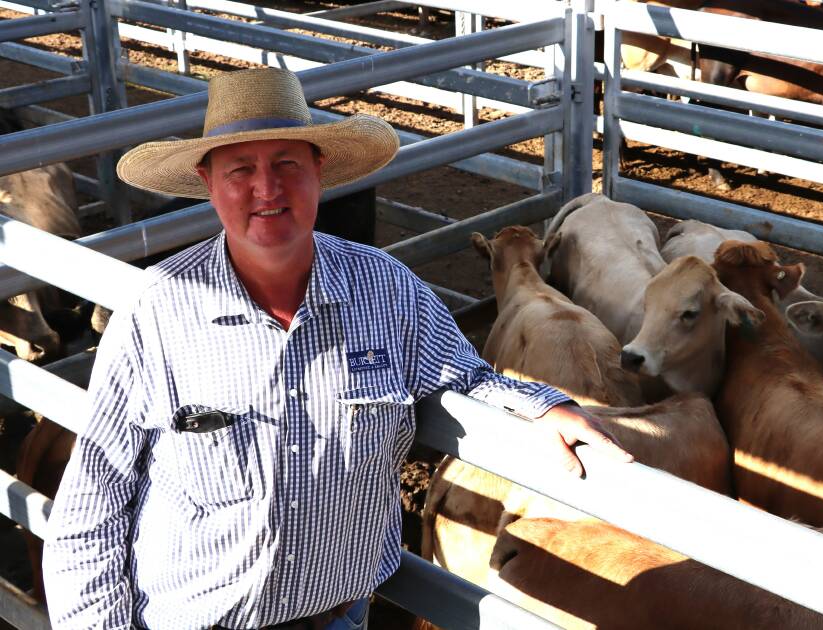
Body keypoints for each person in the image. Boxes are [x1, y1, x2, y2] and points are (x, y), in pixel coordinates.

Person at [42, 67, 630, 630]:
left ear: (319, 171)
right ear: (208, 182)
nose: (266, 189)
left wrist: (542, 405)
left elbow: (469, 376)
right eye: (240, 169)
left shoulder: (388, 290)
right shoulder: (157, 313)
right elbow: (91, 505)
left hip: (340, 618)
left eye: (287, 165)